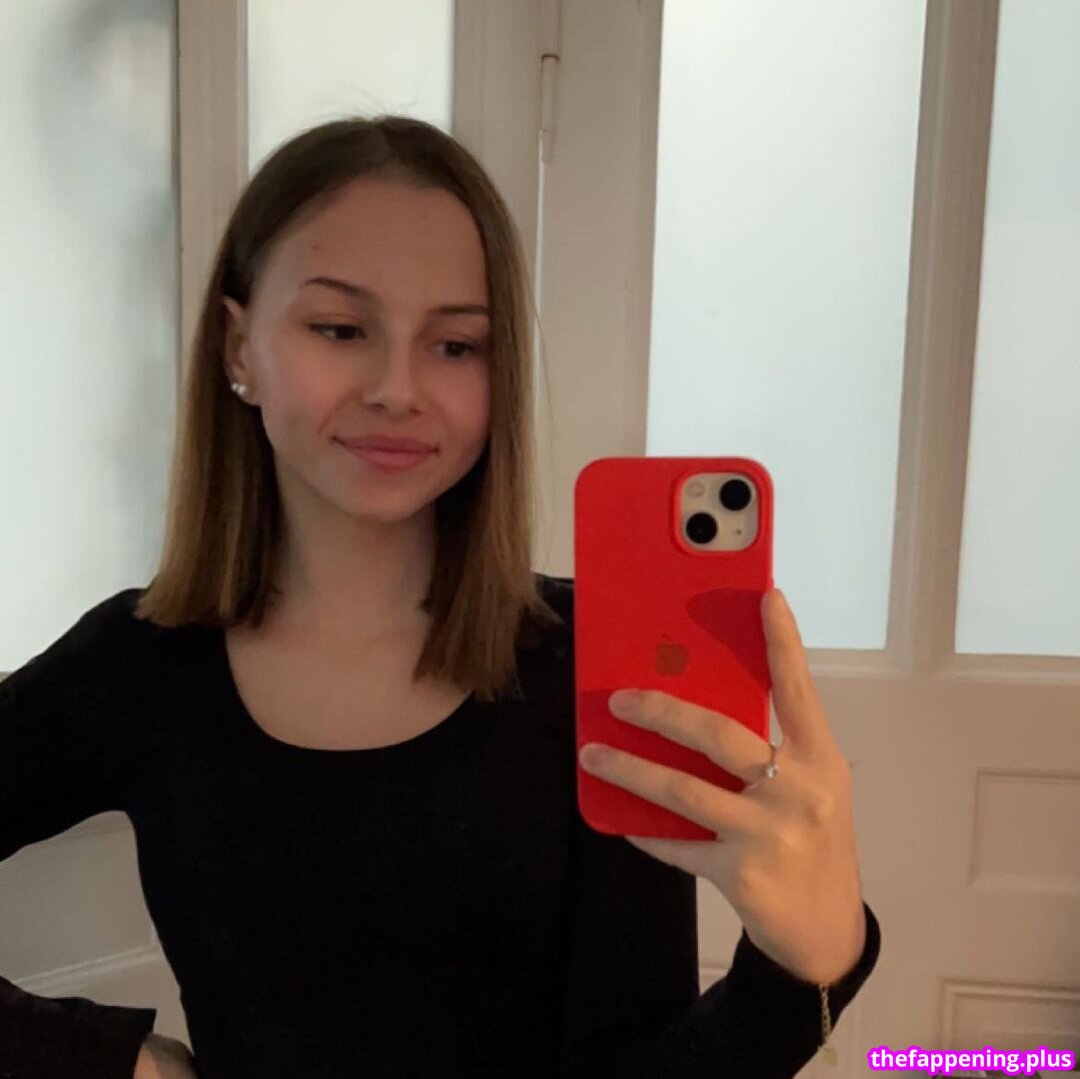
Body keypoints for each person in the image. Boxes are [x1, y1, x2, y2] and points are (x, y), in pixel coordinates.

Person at [0, 115, 880, 1079]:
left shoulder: (587, 666)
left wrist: (807, 967)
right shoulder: (139, 664)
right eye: (341, 329)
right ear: (239, 346)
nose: (398, 388)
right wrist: (101, 1061)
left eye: (457, 345)